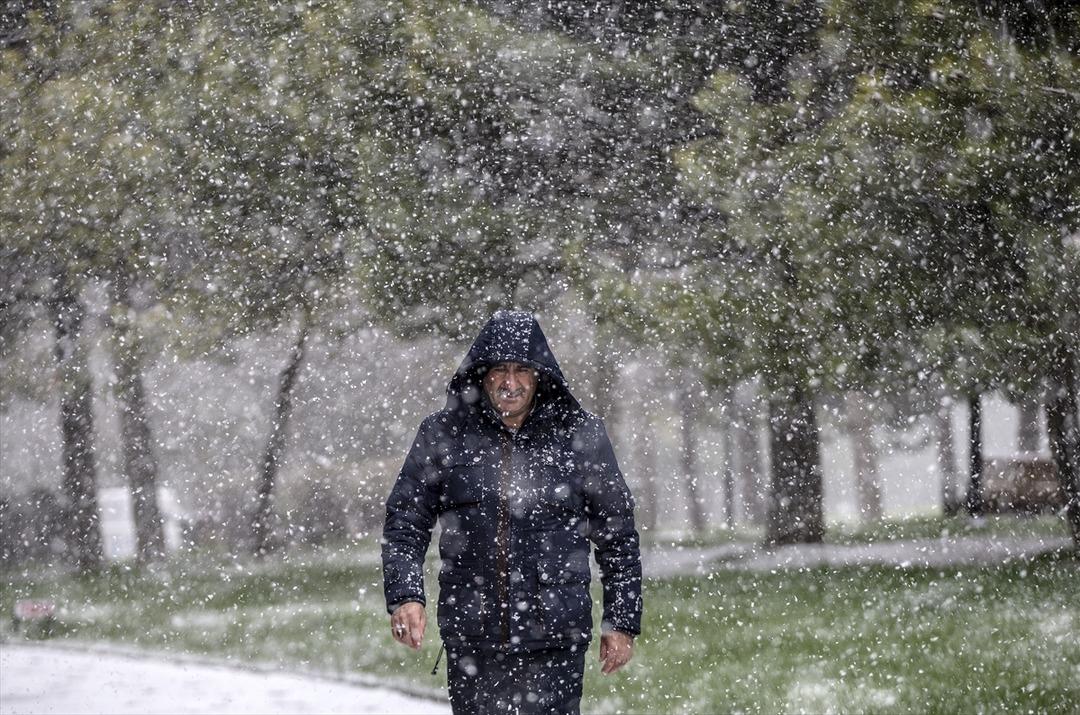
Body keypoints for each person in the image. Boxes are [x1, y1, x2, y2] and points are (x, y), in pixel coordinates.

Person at [382, 310, 642, 715]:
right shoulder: (443, 433)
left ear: (539, 375)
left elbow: (618, 536)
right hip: (474, 640)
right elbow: (405, 523)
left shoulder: (580, 435)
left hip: (556, 641)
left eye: (522, 369)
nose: (510, 382)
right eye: (499, 370)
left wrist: (622, 621)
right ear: (482, 375)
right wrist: (405, 596)